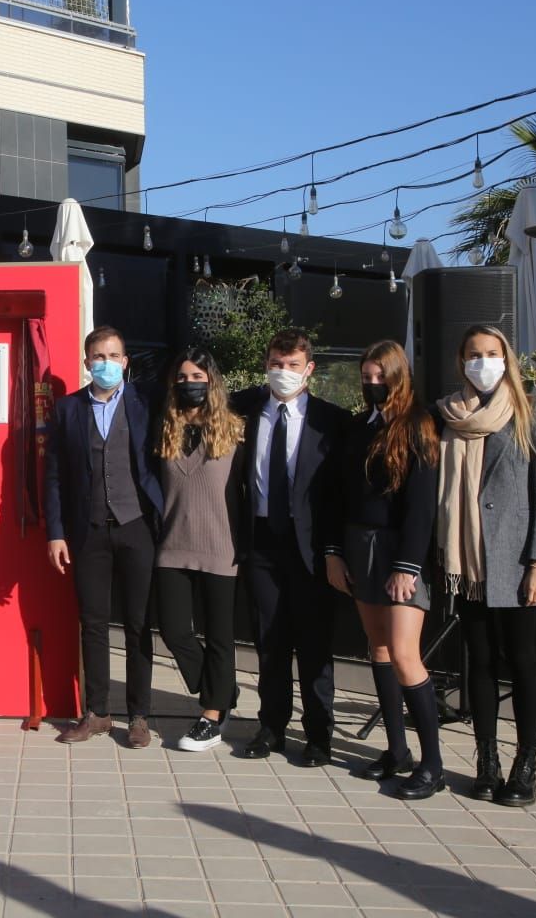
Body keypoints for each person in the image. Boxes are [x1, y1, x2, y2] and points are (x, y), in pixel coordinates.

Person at [437, 324, 536, 807]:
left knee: (522, 661)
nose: (482, 362)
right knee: (481, 662)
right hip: (469, 562)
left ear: (507, 357)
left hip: (518, 560)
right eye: (473, 354)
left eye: (491, 353)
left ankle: (525, 764)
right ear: (460, 360)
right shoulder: (450, 413)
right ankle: (485, 761)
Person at [325, 341, 442, 799]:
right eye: (367, 376)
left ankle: (433, 764)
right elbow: (336, 496)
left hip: (400, 551)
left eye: (381, 377)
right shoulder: (356, 429)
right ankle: (397, 751)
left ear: (399, 376)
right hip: (358, 544)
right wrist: (335, 551)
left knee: (405, 653)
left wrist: (407, 565)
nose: (373, 384)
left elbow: (421, 506)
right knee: (377, 649)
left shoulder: (419, 426)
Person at [230, 328, 350, 766]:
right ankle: (272, 727)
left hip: (312, 548)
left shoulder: (331, 421)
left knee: (315, 645)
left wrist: (335, 550)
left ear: (309, 369)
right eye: (276, 365)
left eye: (293, 365)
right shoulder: (244, 409)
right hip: (261, 541)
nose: (283, 373)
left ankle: (319, 735)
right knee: (270, 641)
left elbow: (339, 494)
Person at [44, 326, 164, 748]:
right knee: (92, 624)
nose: (106, 364)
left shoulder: (145, 403)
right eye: (98, 356)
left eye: (113, 356)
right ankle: (96, 713)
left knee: (137, 624)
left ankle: (138, 716)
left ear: (125, 361)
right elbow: (54, 476)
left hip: (136, 526)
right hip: (88, 530)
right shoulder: (68, 410)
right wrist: (55, 533)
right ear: (86, 361)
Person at [152, 347, 245, 753]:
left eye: (198, 377)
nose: (190, 384)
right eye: (183, 377)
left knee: (221, 637)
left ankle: (211, 716)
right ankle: (221, 690)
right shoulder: (163, 427)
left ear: (213, 382)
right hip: (172, 546)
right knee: (174, 631)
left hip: (221, 549)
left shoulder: (236, 430)